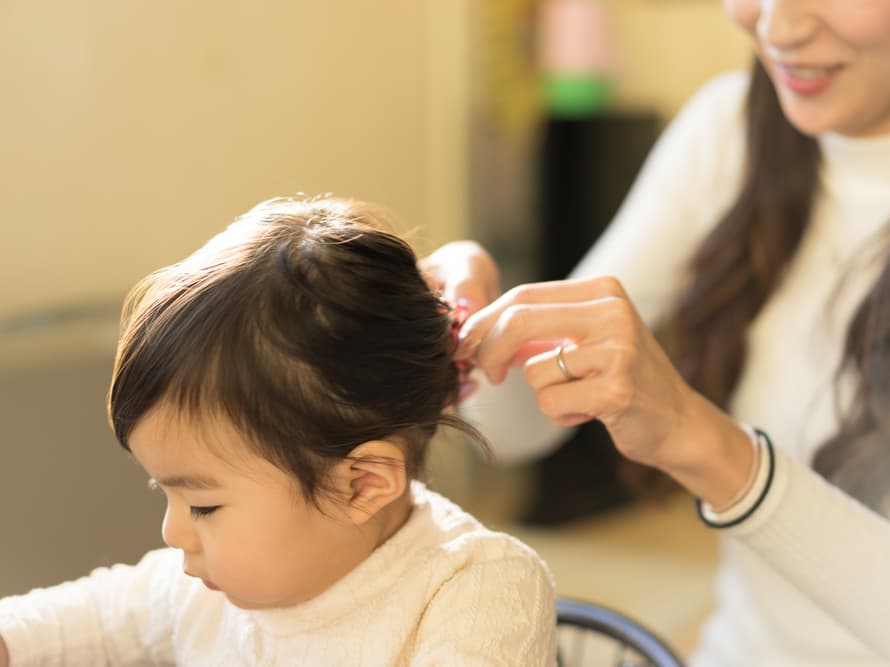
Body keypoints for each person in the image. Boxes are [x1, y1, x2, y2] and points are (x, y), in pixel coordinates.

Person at [424, 1, 890, 665]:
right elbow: (517, 428)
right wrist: (473, 331)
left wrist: (699, 440)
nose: (776, 27)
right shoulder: (728, 130)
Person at [0, 196, 556, 666]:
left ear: (360, 484)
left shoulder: (476, 589)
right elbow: (64, 624)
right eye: (165, 493)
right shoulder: (203, 588)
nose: (173, 535)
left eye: (203, 505)